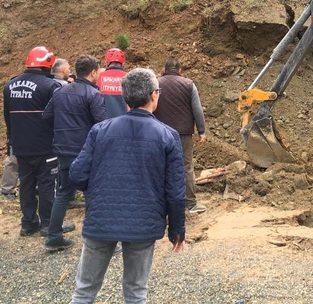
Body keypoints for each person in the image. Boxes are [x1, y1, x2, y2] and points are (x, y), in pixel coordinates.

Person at [69, 68, 185, 303]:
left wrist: (98, 192)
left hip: (101, 219)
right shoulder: (167, 135)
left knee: (84, 291)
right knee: (135, 292)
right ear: (154, 95)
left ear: (124, 97)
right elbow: (175, 191)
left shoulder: (99, 130)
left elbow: (77, 174)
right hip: (143, 224)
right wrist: (176, 229)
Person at [2, 47, 71, 236]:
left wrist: (12, 141)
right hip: (46, 146)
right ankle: (49, 224)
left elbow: (7, 116)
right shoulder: (51, 86)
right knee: (47, 184)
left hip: (21, 145)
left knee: (26, 184)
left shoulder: (10, 85)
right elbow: (59, 116)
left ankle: (28, 223)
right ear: (48, 64)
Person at [43, 56, 106, 251]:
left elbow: (46, 116)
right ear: (93, 72)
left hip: (63, 149)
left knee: (64, 192)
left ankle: (53, 236)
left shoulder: (60, 92)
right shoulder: (93, 94)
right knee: (93, 193)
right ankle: (98, 239)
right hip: (85, 151)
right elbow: (102, 124)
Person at [154, 57, 207, 214]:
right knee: (186, 167)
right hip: (183, 134)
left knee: (161, 166)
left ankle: (161, 204)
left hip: (160, 133)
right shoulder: (189, 84)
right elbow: (197, 110)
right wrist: (202, 131)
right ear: (180, 70)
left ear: (164, 69)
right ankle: (190, 204)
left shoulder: (156, 84)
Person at [97, 48, 127, 118]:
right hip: (123, 120)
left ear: (107, 62)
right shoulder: (127, 76)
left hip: (105, 122)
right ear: (123, 62)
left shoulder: (101, 76)